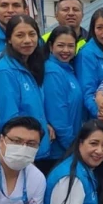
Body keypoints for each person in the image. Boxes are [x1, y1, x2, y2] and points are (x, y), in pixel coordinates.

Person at [0, 15, 54, 167]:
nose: (27, 40)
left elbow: (33, 106)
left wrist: (44, 124)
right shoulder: (4, 71)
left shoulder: (32, 66)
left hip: (38, 147)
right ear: (9, 39)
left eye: (32, 34)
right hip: (22, 153)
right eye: (20, 35)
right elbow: (8, 118)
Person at [42, 26, 84, 166]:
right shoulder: (52, 72)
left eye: (71, 46)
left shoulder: (67, 69)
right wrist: (74, 149)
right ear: (51, 46)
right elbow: (58, 117)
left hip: (69, 147)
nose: (66, 50)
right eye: (60, 45)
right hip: (59, 153)